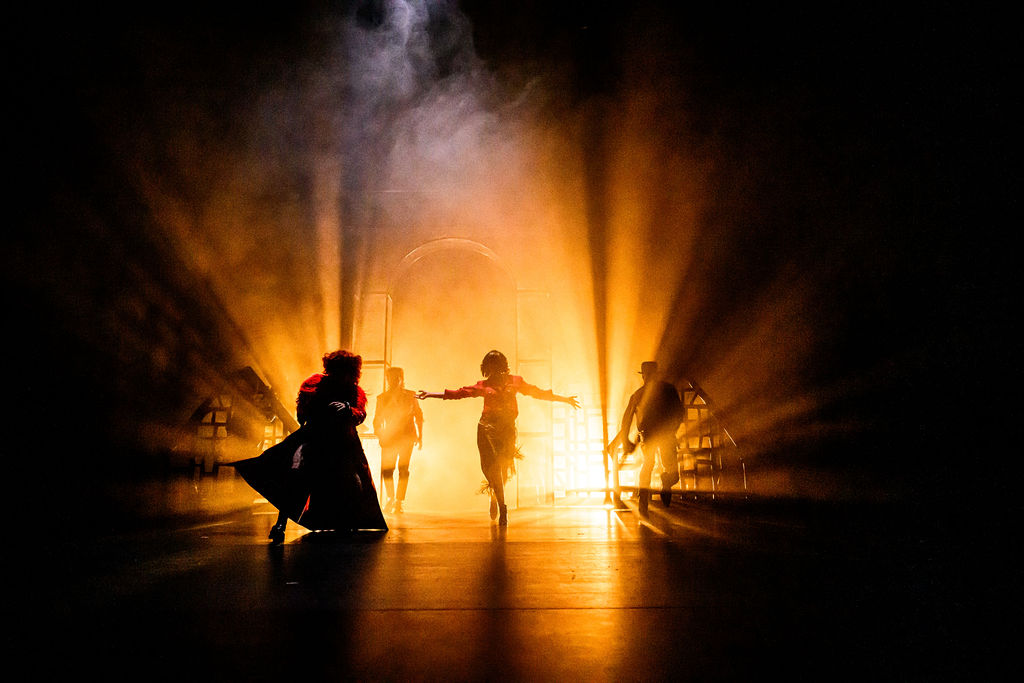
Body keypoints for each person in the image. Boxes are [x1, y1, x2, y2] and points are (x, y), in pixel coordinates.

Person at [232, 350, 387, 543]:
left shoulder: (355, 391)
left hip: (343, 444)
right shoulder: (315, 384)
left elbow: (360, 414)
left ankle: (346, 523)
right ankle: (280, 525)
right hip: (316, 439)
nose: (343, 377)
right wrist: (318, 411)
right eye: (340, 371)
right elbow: (302, 412)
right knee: (297, 478)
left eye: (346, 372)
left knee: (352, 482)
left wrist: (347, 410)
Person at [417, 349, 579, 526]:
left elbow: (537, 392)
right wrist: (431, 394)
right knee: (490, 468)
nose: (495, 372)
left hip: (506, 430)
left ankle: (495, 497)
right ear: (487, 369)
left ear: (503, 367)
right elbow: (459, 393)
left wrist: (564, 399)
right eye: (491, 369)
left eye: (497, 368)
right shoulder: (483, 385)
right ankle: (503, 506)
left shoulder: (515, 382)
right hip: (487, 429)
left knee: (503, 470)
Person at [614, 361, 683, 517]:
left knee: (651, 466)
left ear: (643, 376)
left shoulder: (639, 395)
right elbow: (679, 412)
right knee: (659, 468)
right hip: (659, 435)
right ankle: (647, 500)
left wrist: (626, 441)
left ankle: (646, 500)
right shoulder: (667, 390)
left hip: (657, 435)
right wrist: (673, 429)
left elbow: (626, 420)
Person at [373, 366, 423, 514]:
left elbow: (418, 416)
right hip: (390, 437)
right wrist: (380, 434)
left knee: (403, 469)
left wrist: (420, 436)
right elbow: (377, 419)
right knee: (388, 470)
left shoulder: (411, 396)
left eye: (396, 378)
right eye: (390, 378)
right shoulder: (382, 398)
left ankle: (398, 501)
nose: (393, 381)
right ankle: (391, 498)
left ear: (401, 379)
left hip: (406, 437)